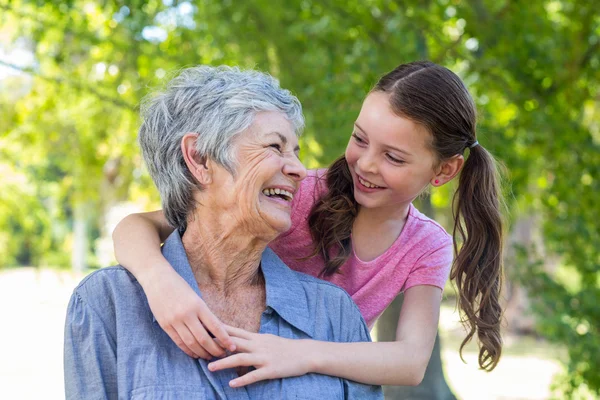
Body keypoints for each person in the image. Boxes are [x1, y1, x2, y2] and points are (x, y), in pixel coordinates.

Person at [113, 61, 504, 388]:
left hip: (312, 380)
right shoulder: (296, 192)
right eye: (360, 139)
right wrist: (160, 282)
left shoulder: (426, 244)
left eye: (394, 158)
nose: (366, 165)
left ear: (444, 170)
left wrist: (299, 353)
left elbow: (410, 361)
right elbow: (136, 226)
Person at [64, 65, 383, 399]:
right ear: (200, 159)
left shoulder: (334, 313)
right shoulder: (107, 303)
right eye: (275, 146)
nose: (300, 170)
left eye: (296, 152)